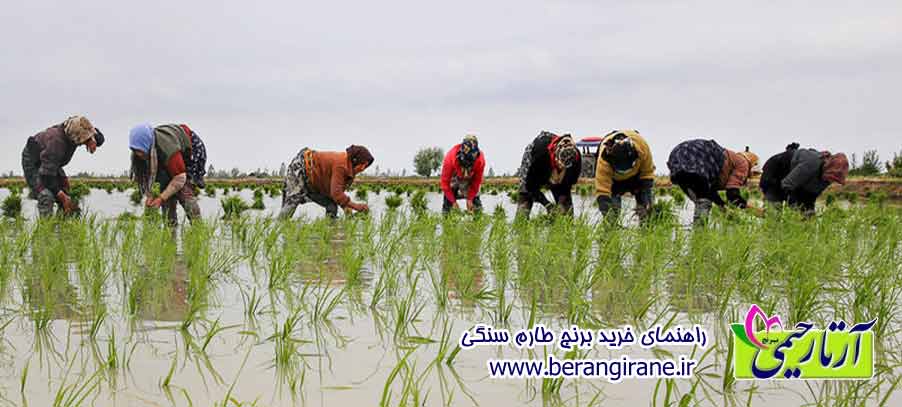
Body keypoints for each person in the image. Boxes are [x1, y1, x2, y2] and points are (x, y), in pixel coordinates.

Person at [21, 116, 104, 217]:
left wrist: (92, 139)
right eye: (84, 139)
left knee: (66, 190)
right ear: (76, 138)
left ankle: (63, 223)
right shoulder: (57, 142)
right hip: (33, 161)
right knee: (46, 195)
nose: (83, 142)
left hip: (51, 161)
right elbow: (46, 176)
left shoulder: (78, 126)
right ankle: (46, 225)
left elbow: (100, 139)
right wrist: (62, 196)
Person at [129, 123, 207, 224]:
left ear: (147, 144)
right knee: (166, 191)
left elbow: (180, 177)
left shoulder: (168, 149)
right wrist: (150, 196)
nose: (139, 154)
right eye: (135, 150)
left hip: (190, 150)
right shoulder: (140, 152)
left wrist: (160, 198)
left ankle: (198, 226)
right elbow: (147, 178)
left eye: (140, 151)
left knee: (184, 190)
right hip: (167, 157)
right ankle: (170, 230)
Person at [666, 139, 758, 224]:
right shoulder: (743, 163)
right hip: (695, 155)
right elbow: (732, 196)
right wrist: (755, 210)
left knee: (701, 200)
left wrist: (722, 206)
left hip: (676, 156)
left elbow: (709, 190)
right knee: (704, 202)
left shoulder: (721, 166)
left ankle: (699, 233)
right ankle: (700, 233)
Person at [279, 145, 374, 219]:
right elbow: (336, 194)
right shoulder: (341, 165)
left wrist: (347, 209)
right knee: (291, 203)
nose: (363, 168)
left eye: (366, 166)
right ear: (355, 160)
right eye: (362, 164)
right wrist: (357, 206)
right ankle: (279, 226)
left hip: (314, 182)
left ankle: (330, 229)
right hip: (302, 168)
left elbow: (338, 193)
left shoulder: (350, 170)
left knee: (331, 205)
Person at [759, 143, 848, 215]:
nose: (831, 181)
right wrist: (796, 209)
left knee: (806, 215)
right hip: (775, 173)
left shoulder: (826, 180)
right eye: (832, 177)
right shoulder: (810, 164)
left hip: (794, 182)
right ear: (827, 168)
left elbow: (810, 197)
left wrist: (809, 212)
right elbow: (786, 185)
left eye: (834, 180)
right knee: (774, 210)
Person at [515, 131, 581, 218]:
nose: (561, 167)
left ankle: (563, 223)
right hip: (536, 164)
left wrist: (562, 203)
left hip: (555, 172)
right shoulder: (541, 154)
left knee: (565, 208)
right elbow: (530, 186)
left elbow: (567, 186)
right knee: (525, 199)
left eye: (564, 167)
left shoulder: (576, 160)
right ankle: (521, 223)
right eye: (560, 164)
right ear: (556, 156)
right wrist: (547, 205)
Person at [594, 129, 655, 222]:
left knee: (646, 211)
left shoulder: (642, 147)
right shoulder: (603, 162)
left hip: (637, 177)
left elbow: (647, 174)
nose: (625, 172)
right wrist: (608, 215)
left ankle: (647, 226)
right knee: (612, 214)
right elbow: (602, 191)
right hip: (614, 181)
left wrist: (647, 201)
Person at [440, 135, 485, 213]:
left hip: (470, 178)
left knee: (476, 205)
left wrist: (470, 199)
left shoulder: (480, 160)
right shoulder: (450, 158)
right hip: (455, 176)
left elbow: (476, 183)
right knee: (448, 205)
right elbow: (445, 184)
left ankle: (477, 215)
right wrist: (453, 202)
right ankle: (447, 214)